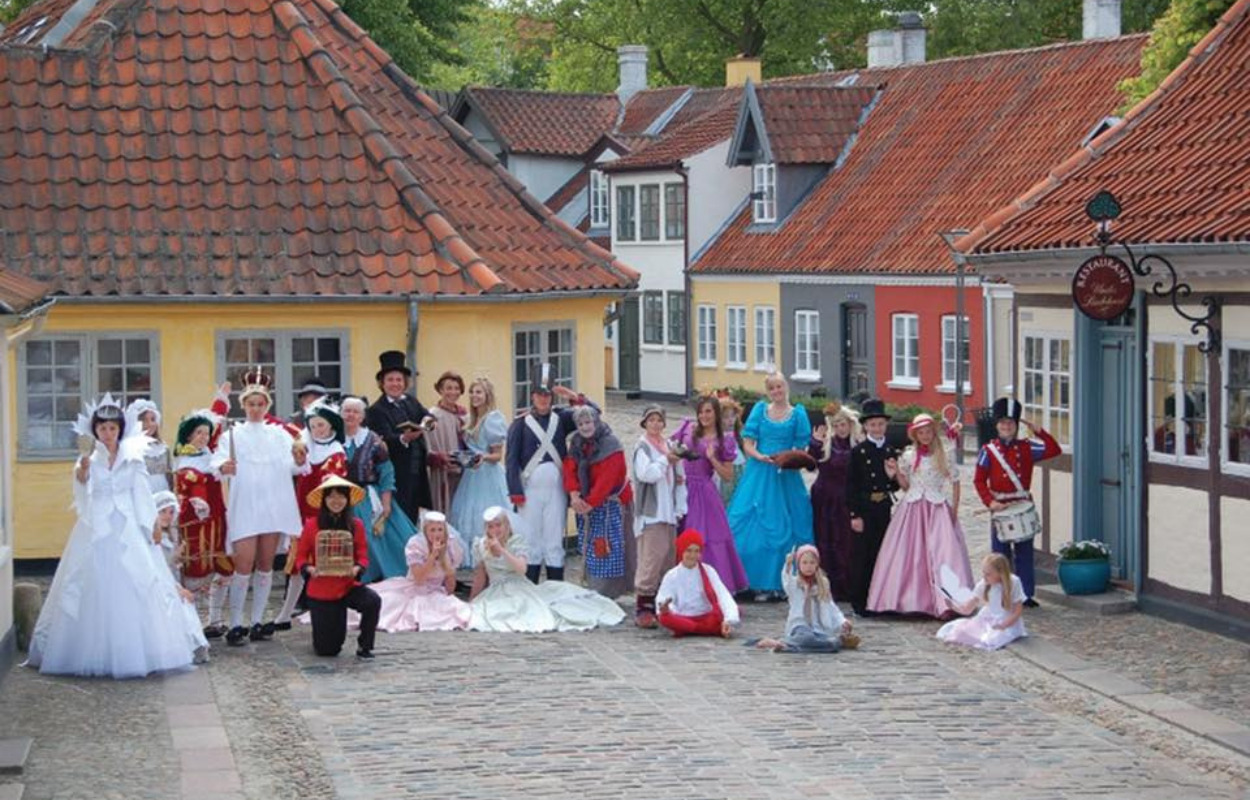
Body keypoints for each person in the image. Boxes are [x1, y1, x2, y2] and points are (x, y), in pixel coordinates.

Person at [26, 395, 208, 678]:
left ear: (120, 430)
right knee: (91, 583)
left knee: (138, 579)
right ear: (95, 431)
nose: (107, 434)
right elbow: (81, 491)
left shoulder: (133, 459)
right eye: (102, 429)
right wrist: (83, 473)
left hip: (128, 527)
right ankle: (90, 650)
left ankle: (137, 650)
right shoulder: (88, 458)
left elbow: (141, 494)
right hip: (97, 527)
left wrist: (152, 525)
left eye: (112, 429)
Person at [211, 368, 309, 647]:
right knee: (243, 563)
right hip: (245, 504)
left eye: (260, 404)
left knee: (266, 564)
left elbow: (292, 465)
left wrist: (300, 460)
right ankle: (236, 622)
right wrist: (223, 466)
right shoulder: (233, 435)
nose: (255, 409)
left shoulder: (279, 435)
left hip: (272, 503)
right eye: (251, 404)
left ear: (267, 406)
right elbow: (216, 462)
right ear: (244, 406)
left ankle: (257, 620)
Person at [867, 414, 974, 618]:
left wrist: (955, 509)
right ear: (915, 435)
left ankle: (945, 599)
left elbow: (956, 481)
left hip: (936, 507)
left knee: (943, 552)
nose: (925, 436)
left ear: (934, 433)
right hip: (913, 507)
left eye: (928, 432)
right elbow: (907, 486)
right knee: (909, 553)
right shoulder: (909, 455)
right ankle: (908, 599)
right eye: (921, 433)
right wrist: (896, 473)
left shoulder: (943, 454)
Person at [505, 367, 597, 583]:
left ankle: (556, 588)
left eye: (547, 395)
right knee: (531, 541)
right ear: (532, 396)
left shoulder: (562, 418)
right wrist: (515, 491)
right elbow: (511, 461)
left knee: (554, 541)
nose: (543, 399)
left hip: (556, 490)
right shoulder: (520, 424)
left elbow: (593, 414)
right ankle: (530, 588)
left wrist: (574, 397)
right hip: (529, 492)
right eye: (539, 394)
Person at [469, 506, 625, 632]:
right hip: (496, 589)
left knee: (527, 609)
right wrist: (472, 599)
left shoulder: (516, 542)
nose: (495, 530)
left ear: (506, 525)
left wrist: (503, 551)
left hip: (518, 586)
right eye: (491, 526)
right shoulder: (481, 545)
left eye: (499, 525)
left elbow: (522, 569)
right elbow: (480, 575)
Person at [727, 373, 813, 600]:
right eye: (772, 388)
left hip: (785, 473)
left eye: (780, 386)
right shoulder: (760, 410)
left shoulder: (798, 414)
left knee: (789, 522)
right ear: (768, 391)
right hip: (760, 471)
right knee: (748, 521)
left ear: (786, 387)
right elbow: (747, 442)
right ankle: (748, 580)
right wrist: (760, 456)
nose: (777, 391)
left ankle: (783, 581)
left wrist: (788, 458)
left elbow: (802, 445)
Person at [974, 397, 1061, 606]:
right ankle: (1000, 594)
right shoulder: (988, 451)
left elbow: (1053, 450)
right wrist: (990, 502)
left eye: (1011, 423)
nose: (1006, 426)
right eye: (1003, 422)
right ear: (997, 425)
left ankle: (1026, 595)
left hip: (1021, 505)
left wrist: (1039, 431)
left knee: (1024, 554)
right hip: (1000, 507)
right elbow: (978, 480)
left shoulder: (1027, 447)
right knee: (1000, 555)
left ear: (1016, 426)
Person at [275, 399, 348, 629]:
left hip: (325, 516)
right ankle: (286, 613)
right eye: (314, 425)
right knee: (298, 564)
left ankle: (329, 609)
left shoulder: (336, 453)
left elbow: (335, 483)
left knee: (327, 564)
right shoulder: (304, 447)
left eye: (322, 425)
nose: (317, 430)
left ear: (332, 427)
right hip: (301, 513)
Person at [294, 475, 381, 658]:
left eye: (341, 496)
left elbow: (363, 556)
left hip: (347, 585)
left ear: (347, 500)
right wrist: (310, 569)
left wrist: (357, 568)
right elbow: (300, 557)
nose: (336, 501)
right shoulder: (312, 525)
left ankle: (365, 646)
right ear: (324, 499)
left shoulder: (355, 525)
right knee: (328, 650)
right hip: (321, 589)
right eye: (331, 496)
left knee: (372, 601)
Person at [672, 395, 748, 596]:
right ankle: (682, 587)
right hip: (683, 489)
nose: (704, 416)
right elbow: (670, 449)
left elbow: (728, 475)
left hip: (704, 492)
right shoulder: (687, 428)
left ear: (716, 414)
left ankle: (710, 588)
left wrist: (712, 458)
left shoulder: (725, 440)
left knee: (705, 537)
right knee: (680, 535)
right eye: (701, 411)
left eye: (708, 411)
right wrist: (675, 469)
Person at [340, 396, 421, 582]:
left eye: (355, 412)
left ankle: (378, 578)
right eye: (347, 411)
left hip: (368, 497)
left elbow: (386, 471)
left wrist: (386, 503)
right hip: (341, 498)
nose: (350, 415)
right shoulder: (334, 438)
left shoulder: (373, 440)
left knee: (373, 536)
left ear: (362, 417)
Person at [174, 407, 232, 638]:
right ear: (188, 435)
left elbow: (217, 424)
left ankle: (215, 619)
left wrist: (222, 402)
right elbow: (179, 497)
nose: (203, 437)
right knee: (195, 572)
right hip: (195, 528)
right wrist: (192, 505)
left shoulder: (212, 457)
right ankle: (192, 623)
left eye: (206, 433)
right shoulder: (182, 462)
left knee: (224, 569)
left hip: (217, 521)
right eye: (198, 433)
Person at [564, 406, 634, 599]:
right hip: (588, 504)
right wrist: (574, 494)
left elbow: (608, 478)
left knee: (608, 548)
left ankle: (608, 590)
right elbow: (570, 468)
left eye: (588, 422)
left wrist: (590, 503)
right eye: (580, 424)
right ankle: (594, 585)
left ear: (596, 421)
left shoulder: (611, 444)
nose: (585, 427)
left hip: (609, 504)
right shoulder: (577, 443)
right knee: (590, 547)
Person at [370, 511, 471, 632]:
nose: (437, 534)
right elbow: (419, 578)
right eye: (432, 530)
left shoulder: (450, 546)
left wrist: (448, 595)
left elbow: (450, 579)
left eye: (440, 530)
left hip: (436, 591)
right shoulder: (416, 545)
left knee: (457, 611)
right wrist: (432, 556)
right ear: (426, 531)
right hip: (415, 589)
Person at [448, 377, 510, 569]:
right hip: (471, 474)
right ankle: (475, 562)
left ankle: (493, 559)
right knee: (467, 514)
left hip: (488, 475)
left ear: (487, 395)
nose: (474, 396)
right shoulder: (470, 419)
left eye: (479, 392)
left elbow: (498, 455)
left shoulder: (493, 419)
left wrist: (482, 457)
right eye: (472, 392)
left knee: (485, 514)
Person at [631, 404, 683, 628]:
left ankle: (662, 604)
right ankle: (644, 606)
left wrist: (680, 506)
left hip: (668, 512)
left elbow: (679, 479)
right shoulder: (642, 447)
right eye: (651, 420)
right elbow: (647, 474)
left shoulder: (669, 445)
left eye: (659, 420)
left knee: (666, 560)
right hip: (651, 513)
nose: (655, 424)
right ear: (645, 423)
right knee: (650, 559)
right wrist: (665, 461)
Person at [366, 351, 434, 521]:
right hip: (397, 474)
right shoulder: (376, 410)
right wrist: (404, 438)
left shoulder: (410, 401)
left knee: (416, 515)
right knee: (399, 516)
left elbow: (426, 415)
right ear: (382, 384)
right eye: (390, 380)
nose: (395, 384)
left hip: (417, 471)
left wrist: (427, 422)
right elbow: (384, 440)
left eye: (399, 380)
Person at [847, 398, 899, 617]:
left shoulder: (890, 449)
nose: (877, 428)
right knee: (863, 555)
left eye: (880, 424)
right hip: (865, 506)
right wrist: (854, 514)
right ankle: (860, 600)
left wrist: (892, 477)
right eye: (872, 425)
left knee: (882, 553)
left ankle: (879, 598)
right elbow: (851, 485)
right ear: (865, 426)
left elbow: (895, 485)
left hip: (883, 506)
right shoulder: (859, 452)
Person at [751, 545, 856, 653]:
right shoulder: (795, 584)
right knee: (807, 638)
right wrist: (788, 565)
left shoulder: (823, 584)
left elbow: (830, 606)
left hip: (818, 627)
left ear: (817, 564)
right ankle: (789, 643)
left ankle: (786, 646)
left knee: (831, 644)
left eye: (812, 563)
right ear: (799, 565)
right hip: (800, 626)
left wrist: (842, 621)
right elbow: (787, 581)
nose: (808, 566)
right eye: (804, 563)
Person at [808, 402, 860, 601]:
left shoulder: (856, 445)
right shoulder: (826, 444)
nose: (841, 429)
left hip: (845, 499)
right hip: (824, 498)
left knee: (845, 542)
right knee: (825, 539)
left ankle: (846, 584)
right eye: (837, 425)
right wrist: (815, 442)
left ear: (850, 424)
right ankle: (824, 582)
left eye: (844, 424)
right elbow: (810, 465)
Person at [656, 529, 739, 638]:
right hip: (683, 618)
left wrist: (729, 619)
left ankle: (693, 629)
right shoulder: (672, 575)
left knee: (724, 616)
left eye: (696, 551)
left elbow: (722, 595)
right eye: (689, 551)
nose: (693, 555)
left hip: (707, 618)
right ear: (681, 550)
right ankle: (698, 629)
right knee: (664, 618)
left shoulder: (708, 570)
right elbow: (664, 600)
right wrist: (667, 609)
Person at [936, 553, 1027, 650]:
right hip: (987, 617)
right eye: (983, 573)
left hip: (1007, 620)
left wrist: (1004, 625)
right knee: (961, 632)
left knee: (992, 638)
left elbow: (1017, 611)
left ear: (1000, 573)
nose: (984, 576)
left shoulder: (1014, 582)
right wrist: (953, 607)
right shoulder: (983, 584)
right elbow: (968, 609)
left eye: (988, 574)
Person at [426, 371, 467, 513]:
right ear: (440, 390)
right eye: (448, 388)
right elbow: (426, 446)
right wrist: (439, 458)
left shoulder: (464, 415)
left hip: (464, 472)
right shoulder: (432, 416)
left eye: (456, 388)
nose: (453, 392)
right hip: (443, 473)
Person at [129, 398, 172, 492]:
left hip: (162, 492)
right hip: (141, 492)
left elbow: (169, 475)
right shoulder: (130, 449)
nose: (149, 424)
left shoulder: (162, 448)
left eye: (152, 419)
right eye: (144, 420)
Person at [716, 395, 746, 506]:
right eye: (725, 417)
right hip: (726, 470)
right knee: (725, 498)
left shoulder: (739, 433)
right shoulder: (717, 436)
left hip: (740, 467)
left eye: (733, 416)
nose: (730, 420)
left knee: (740, 497)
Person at [152, 490, 182, 578]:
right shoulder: (152, 538)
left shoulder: (168, 535)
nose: (168, 516)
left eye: (171, 512)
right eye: (163, 511)